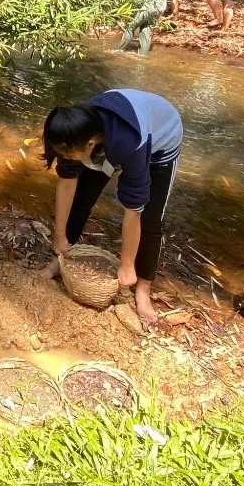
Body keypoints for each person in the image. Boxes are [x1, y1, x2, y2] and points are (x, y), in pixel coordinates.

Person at [39, 90, 183, 327]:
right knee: (83, 197)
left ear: (90, 144)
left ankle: (143, 289)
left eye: (67, 153)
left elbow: (133, 209)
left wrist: (126, 265)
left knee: (150, 219)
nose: (64, 157)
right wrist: (60, 235)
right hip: (114, 131)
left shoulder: (129, 143)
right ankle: (61, 260)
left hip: (160, 139)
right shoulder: (73, 130)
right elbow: (67, 185)